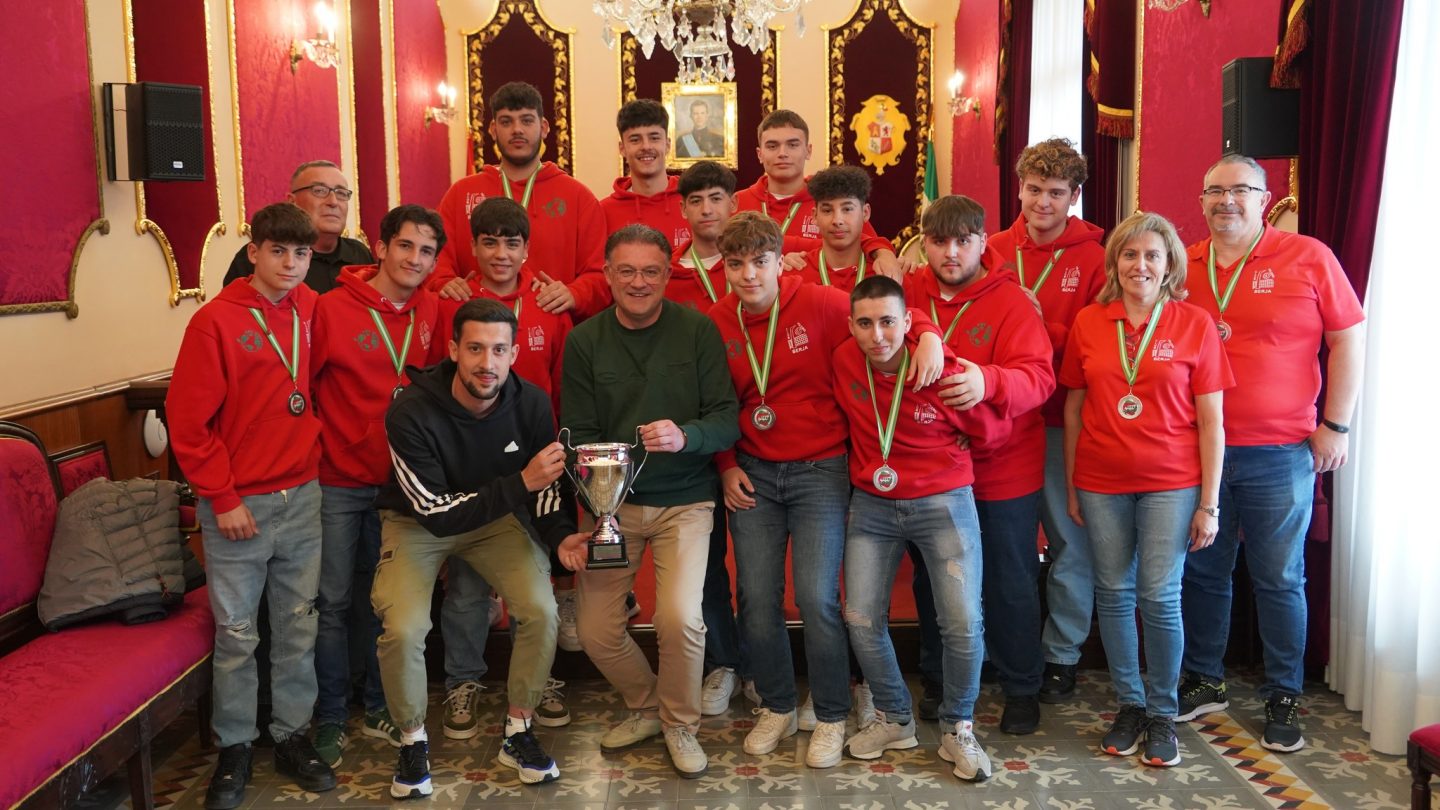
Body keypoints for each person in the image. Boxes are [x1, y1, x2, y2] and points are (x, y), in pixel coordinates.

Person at [708, 212, 944, 767]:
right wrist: (723, 464)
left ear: (777, 260)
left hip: (821, 471)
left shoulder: (817, 302)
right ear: (725, 267)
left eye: (759, 262)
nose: (748, 275)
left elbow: (885, 315)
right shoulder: (717, 320)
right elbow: (713, 402)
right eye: (736, 264)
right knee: (758, 599)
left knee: (816, 596)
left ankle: (833, 712)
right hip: (754, 472)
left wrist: (929, 333)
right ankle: (778, 703)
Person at [1177, 155, 1365, 752]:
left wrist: (1335, 423)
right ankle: (1206, 678)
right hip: (1195, 451)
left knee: (1280, 578)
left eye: (1240, 190)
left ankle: (1284, 693)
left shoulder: (1309, 257)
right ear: (1201, 200)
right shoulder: (1183, 262)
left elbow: (1349, 338)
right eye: (1214, 191)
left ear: (1265, 198)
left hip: (1281, 450)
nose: (1226, 201)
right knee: (1203, 573)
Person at [372, 298, 584, 797]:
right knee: (403, 627)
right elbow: (436, 512)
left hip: (493, 520)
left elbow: (548, 482)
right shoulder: (409, 409)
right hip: (418, 524)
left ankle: (518, 729)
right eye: (474, 348)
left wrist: (559, 537)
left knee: (540, 608)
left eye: (497, 350)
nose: (485, 363)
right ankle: (412, 739)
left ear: (512, 354)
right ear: (453, 350)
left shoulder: (530, 401)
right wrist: (520, 484)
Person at [167, 202, 336, 809]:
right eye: (279, 251)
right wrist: (222, 497)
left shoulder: (311, 308)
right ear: (256, 252)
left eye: (302, 253)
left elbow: (308, 386)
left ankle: (292, 734)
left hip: (302, 493)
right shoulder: (214, 322)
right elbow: (188, 425)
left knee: (298, 625)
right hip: (238, 506)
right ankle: (235, 745)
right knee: (238, 633)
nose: (291, 264)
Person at [557, 225, 740, 778]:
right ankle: (647, 705)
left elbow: (726, 420)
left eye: (652, 271)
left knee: (681, 616)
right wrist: (597, 504)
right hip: (613, 508)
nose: (639, 283)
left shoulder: (697, 331)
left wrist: (688, 436)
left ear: (668, 275)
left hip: (687, 501)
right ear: (608, 275)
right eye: (627, 271)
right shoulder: (584, 341)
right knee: (593, 631)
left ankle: (680, 723)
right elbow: (578, 432)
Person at [1060, 211, 1232, 767]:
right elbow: (1075, 409)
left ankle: (1161, 711)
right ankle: (1129, 703)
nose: (1140, 265)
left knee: (1158, 596)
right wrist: (1070, 486)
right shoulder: (1090, 322)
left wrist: (1209, 502)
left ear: (1169, 265)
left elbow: (1212, 422)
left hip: (1172, 483)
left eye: (1152, 255)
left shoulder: (1194, 324)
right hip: (1101, 480)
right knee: (1112, 592)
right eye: (1130, 255)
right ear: (1115, 263)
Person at [832, 275, 1009, 782]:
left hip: (943, 502)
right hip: (873, 504)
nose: (877, 335)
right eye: (864, 323)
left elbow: (990, 430)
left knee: (962, 622)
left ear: (908, 322)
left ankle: (959, 727)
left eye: (889, 321)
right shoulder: (844, 360)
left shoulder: (940, 366)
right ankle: (894, 716)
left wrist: (951, 451)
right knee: (861, 617)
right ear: (851, 326)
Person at [903, 195, 1055, 735]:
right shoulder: (910, 291)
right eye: (939, 241)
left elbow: (1039, 379)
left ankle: (1021, 687)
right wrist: (921, 327)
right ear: (923, 244)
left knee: (1010, 579)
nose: (951, 252)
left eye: (963, 241)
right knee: (933, 579)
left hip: (1002, 468)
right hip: (931, 470)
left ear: (982, 242)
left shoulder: (1013, 301)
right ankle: (940, 678)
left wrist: (987, 381)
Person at [309, 204, 447, 767]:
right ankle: (331, 715)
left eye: (428, 251)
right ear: (382, 248)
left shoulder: (435, 311)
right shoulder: (330, 310)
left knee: (383, 601)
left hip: (402, 488)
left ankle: (379, 704)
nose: (416, 260)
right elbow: (303, 386)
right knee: (333, 601)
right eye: (407, 246)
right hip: (340, 480)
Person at [435, 197, 575, 734]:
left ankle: (535, 683)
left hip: (537, 461)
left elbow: (560, 387)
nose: (500, 253)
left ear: (526, 249)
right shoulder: (453, 302)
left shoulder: (548, 304)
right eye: (489, 242)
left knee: (532, 580)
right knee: (468, 587)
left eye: (511, 243)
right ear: (472, 248)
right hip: (472, 469)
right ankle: (463, 682)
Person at [987, 138, 1107, 703]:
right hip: (998, 420)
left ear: (1074, 196)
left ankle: (1061, 652)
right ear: (1020, 187)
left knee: (1068, 542)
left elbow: (1103, 341)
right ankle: (995, 643)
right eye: (1034, 190)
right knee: (996, 542)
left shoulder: (1095, 257)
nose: (1042, 203)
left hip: (1063, 419)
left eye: (1056, 193)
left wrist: (1039, 330)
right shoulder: (988, 248)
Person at [429, 82, 609, 319]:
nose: (517, 130)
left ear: (544, 127)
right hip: (478, 337)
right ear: (492, 129)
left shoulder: (578, 197)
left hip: (552, 332)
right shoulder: (460, 194)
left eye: (526, 120)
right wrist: (443, 282)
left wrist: (575, 294)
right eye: (506, 122)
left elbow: (601, 275)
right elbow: (433, 260)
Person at [735, 110, 900, 275]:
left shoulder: (830, 198)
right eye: (772, 146)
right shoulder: (736, 203)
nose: (782, 153)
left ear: (808, 151)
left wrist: (884, 252)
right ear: (759, 154)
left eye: (793, 145)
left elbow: (867, 243)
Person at [224, 160, 373, 294]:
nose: (333, 202)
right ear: (292, 201)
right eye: (319, 190)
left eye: (341, 193)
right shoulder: (262, 255)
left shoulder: (359, 254)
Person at [601, 99, 690, 248]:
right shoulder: (603, 213)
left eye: (654, 138)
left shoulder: (694, 203)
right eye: (635, 140)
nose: (646, 146)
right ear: (622, 148)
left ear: (667, 145)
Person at [797, 166, 876, 293]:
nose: (837, 220)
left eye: (847, 209)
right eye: (827, 210)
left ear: (865, 213)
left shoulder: (885, 272)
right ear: (814, 216)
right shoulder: (794, 275)